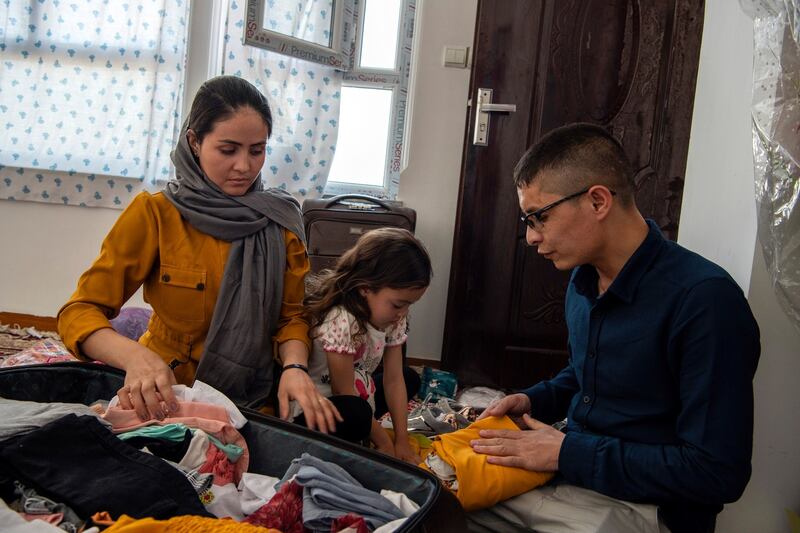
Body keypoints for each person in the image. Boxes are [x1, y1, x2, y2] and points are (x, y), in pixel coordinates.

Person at [468, 123, 760, 533]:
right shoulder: (583, 280)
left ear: (598, 201)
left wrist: (566, 453)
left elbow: (716, 472)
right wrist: (534, 401)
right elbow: (589, 376)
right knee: (430, 502)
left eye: (539, 218)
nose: (531, 237)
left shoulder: (705, 302)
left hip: (646, 508)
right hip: (573, 479)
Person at [57, 76, 340, 433]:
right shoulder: (156, 214)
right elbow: (78, 312)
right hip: (167, 398)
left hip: (251, 398)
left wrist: (295, 369)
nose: (244, 166)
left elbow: (291, 318)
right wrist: (136, 357)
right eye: (228, 150)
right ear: (194, 142)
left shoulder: (279, 221)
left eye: (257, 150)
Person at [299, 227, 431, 462]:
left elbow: (393, 379)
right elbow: (343, 392)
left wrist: (401, 440)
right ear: (365, 287)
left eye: (409, 305)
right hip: (323, 407)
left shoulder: (394, 319)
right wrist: (384, 444)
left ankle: (364, 431)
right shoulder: (341, 318)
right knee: (356, 412)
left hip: (360, 394)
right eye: (398, 304)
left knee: (408, 377)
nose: (403, 313)